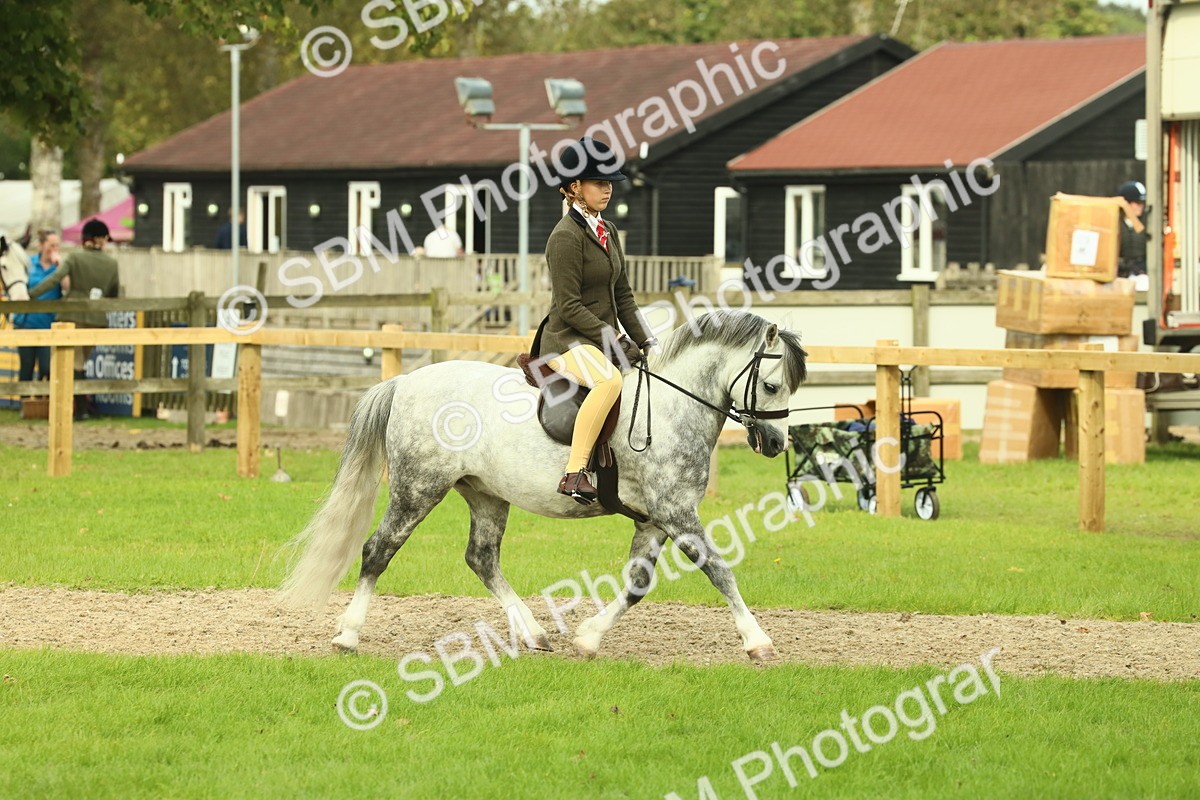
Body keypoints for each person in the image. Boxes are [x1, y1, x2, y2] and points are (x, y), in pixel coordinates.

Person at [540, 136, 656, 503]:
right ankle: (574, 473)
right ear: (575, 188)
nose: (608, 189)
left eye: (610, 183)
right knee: (608, 381)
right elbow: (570, 305)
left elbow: (623, 296)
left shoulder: (609, 232)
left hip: (597, 339)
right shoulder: (565, 237)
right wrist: (615, 339)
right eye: (599, 183)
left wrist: (649, 340)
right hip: (567, 340)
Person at [29, 218, 120, 418]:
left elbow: (54, 279)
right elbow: (114, 294)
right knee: (80, 361)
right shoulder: (112, 264)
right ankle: (81, 407)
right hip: (96, 319)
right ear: (100, 239)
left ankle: (79, 410)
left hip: (72, 317)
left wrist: (31, 294)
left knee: (74, 363)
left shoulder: (74, 257)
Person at [13, 229, 63, 383]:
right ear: (41, 246)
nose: (54, 248)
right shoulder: (29, 264)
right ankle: (25, 404)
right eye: (51, 245)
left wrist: (61, 266)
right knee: (26, 367)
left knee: (47, 368)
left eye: (57, 245)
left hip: (49, 326)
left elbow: (67, 286)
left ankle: (44, 405)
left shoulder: (60, 266)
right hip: (26, 324)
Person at [1116, 180, 1148, 284]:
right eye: (1137, 203)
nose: (1141, 206)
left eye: (1142, 203)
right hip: (1121, 276)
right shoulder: (1116, 224)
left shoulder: (1147, 224)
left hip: (1142, 275)